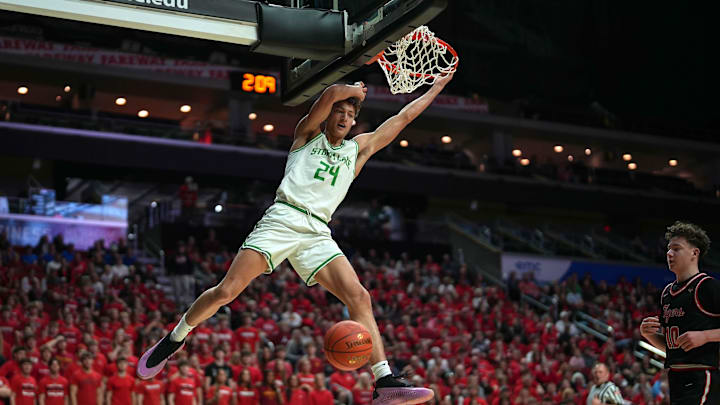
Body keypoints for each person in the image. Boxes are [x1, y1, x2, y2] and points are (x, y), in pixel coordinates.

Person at [138, 73, 455, 405]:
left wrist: (436, 88)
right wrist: (351, 91)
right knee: (226, 291)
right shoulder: (306, 136)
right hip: (283, 218)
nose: (345, 119)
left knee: (359, 297)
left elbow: (403, 117)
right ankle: (175, 338)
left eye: (350, 116)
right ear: (329, 115)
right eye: (340, 113)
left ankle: (383, 381)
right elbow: (331, 93)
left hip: (318, 231)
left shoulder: (357, 151)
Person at [640, 221, 720, 404]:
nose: (669, 253)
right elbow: (673, 349)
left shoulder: (707, 286)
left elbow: (700, 338)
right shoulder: (667, 292)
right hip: (676, 376)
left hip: (702, 374)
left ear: (694, 253)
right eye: (668, 249)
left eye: (676, 248)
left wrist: (706, 336)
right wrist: (649, 336)